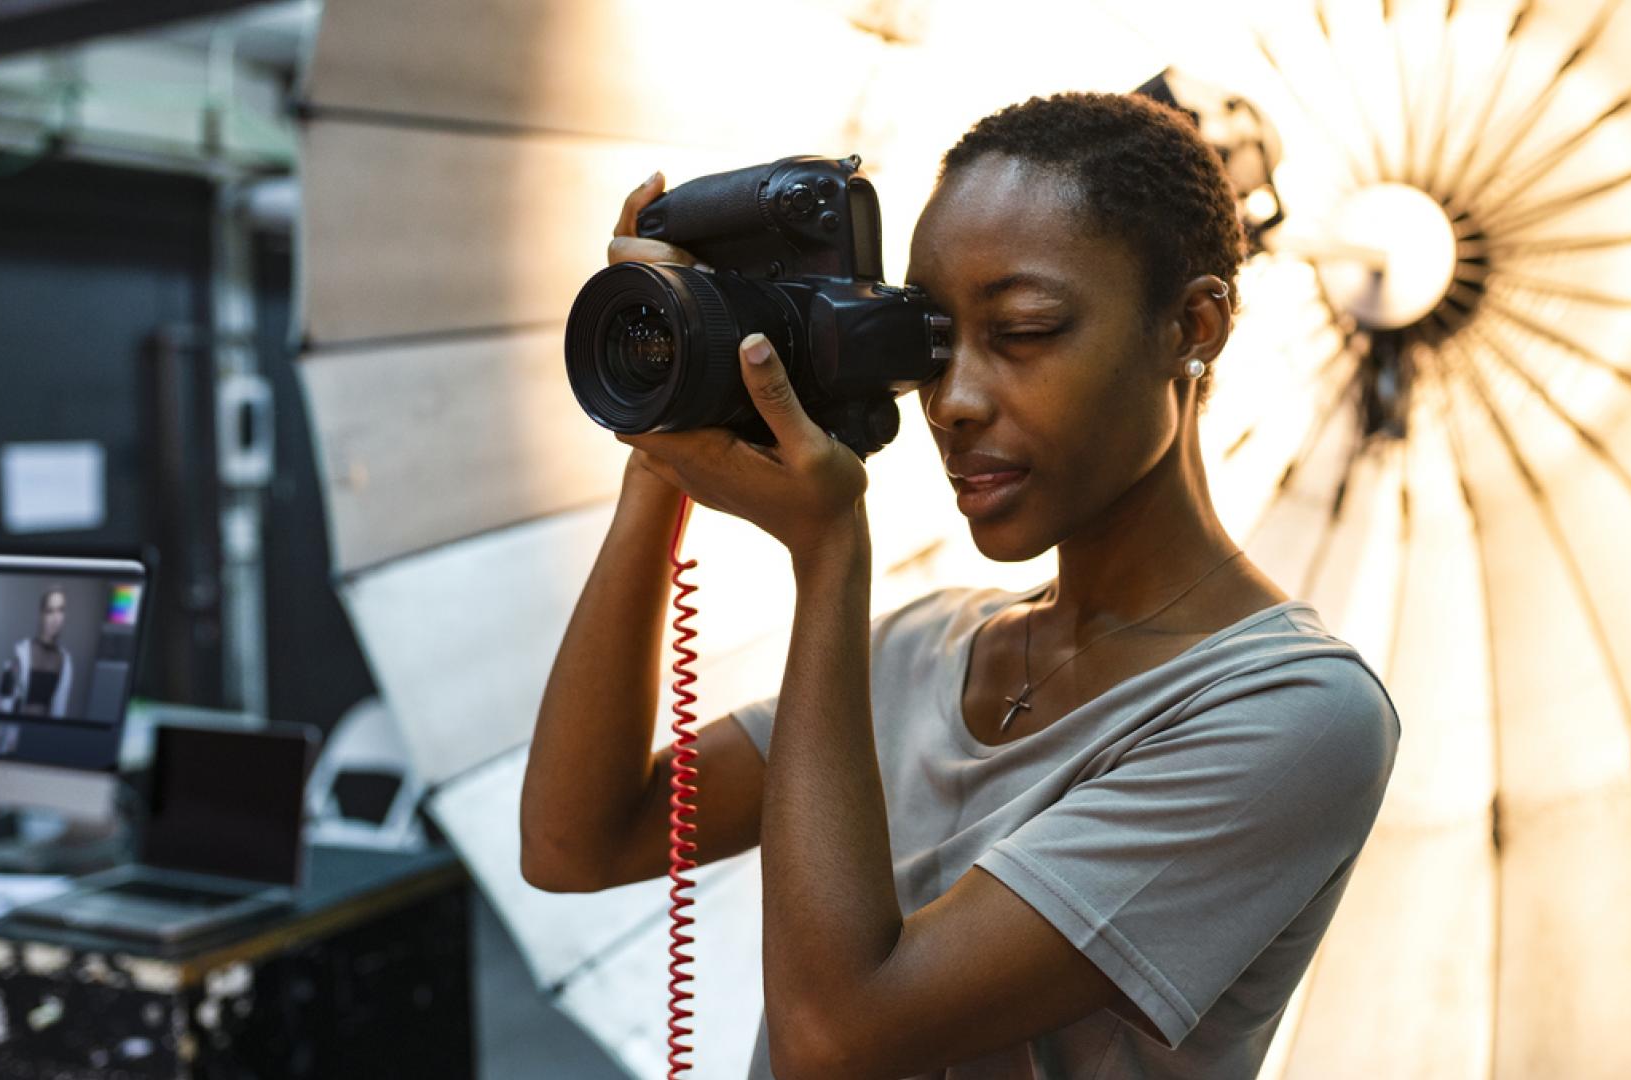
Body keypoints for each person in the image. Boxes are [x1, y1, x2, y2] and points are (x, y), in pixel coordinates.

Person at [522, 92, 1401, 1080]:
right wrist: (664, 444)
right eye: (930, 343)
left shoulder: (1291, 715)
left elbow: (835, 1035)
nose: (954, 401)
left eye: (1023, 331)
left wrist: (826, 558)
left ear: (1190, 326)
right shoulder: (919, 650)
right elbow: (575, 842)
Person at [0, 585, 73, 718]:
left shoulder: (65, 661)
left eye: (60, 610)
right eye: (50, 611)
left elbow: (59, 710)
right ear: (41, 614)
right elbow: (4, 702)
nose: (56, 618)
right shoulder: (20, 652)